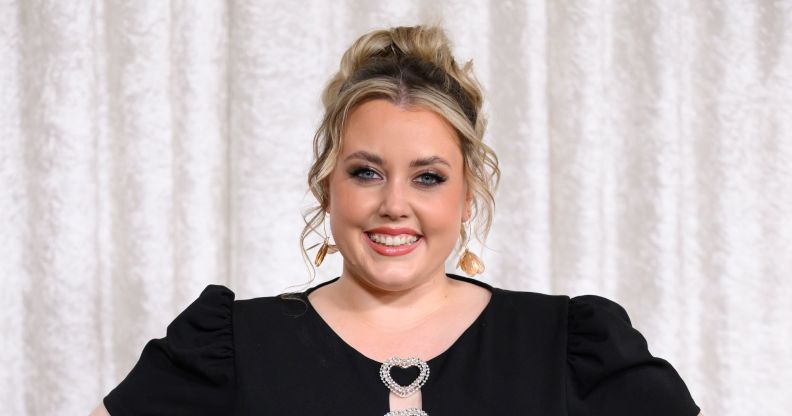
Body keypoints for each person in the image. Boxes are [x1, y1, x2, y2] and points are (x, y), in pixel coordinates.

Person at [92, 25, 701, 416]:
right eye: (366, 172)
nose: (394, 205)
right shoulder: (232, 346)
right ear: (326, 186)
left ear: (467, 196)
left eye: (428, 177)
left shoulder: (567, 343)